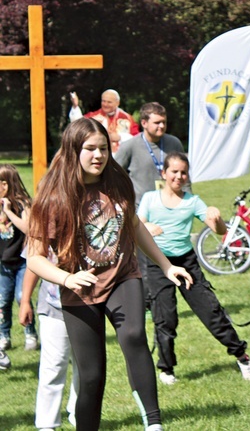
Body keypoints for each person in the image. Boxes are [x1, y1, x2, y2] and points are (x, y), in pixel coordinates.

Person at [26, 118, 194, 431]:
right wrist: (67, 279)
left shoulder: (117, 182)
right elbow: (34, 258)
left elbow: (134, 225)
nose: (98, 155)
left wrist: (166, 264)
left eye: (103, 148)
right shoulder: (52, 197)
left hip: (121, 276)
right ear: (73, 150)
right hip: (78, 290)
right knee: (91, 377)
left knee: (133, 334)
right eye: (90, 149)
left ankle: (153, 424)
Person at [138, 152, 250, 384]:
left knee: (210, 310)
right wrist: (149, 226)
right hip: (157, 263)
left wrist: (217, 219)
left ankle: (241, 356)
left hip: (186, 262)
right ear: (164, 173)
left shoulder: (192, 201)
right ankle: (166, 369)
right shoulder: (150, 199)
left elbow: (221, 232)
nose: (179, 176)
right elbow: (138, 224)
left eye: (183, 172)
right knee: (165, 318)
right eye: (174, 171)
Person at [114, 102, 187, 309]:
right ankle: (146, 302)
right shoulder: (130, 147)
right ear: (144, 123)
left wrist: (187, 199)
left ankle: (164, 295)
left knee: (166, 253)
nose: (161, 127)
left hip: (169, 210)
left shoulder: (173, 143)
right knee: (143, 260)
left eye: (164, 122)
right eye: (156, 123)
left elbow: (184, 172)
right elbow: (115, 176)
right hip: (140, 214)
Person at [19, 264, 79, 431]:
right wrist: (25, 301)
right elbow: (33, 263)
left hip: (89, 307)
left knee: (86, 366)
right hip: (53, 307)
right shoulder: (43, 236)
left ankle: (79, 411)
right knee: (53, 365)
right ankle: (47, 423)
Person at [0, 164, 38, 351]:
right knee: (2, 300)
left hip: (24, 262)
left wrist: (8, 212)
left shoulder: (22, 203)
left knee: (22, 296)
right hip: (3, 264)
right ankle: (4, 335)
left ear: (6, 184)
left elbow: (29, 229)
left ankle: (30, 333)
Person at [69, 89, 139, 153]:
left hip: (121, 156)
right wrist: (75, 106)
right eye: (103, 101)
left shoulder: (126, 118)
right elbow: (78, 125)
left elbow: (136, 139)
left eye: (109, 102)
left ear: (117, 103)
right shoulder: (94, 116)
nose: (105, 104)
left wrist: (120, 137)